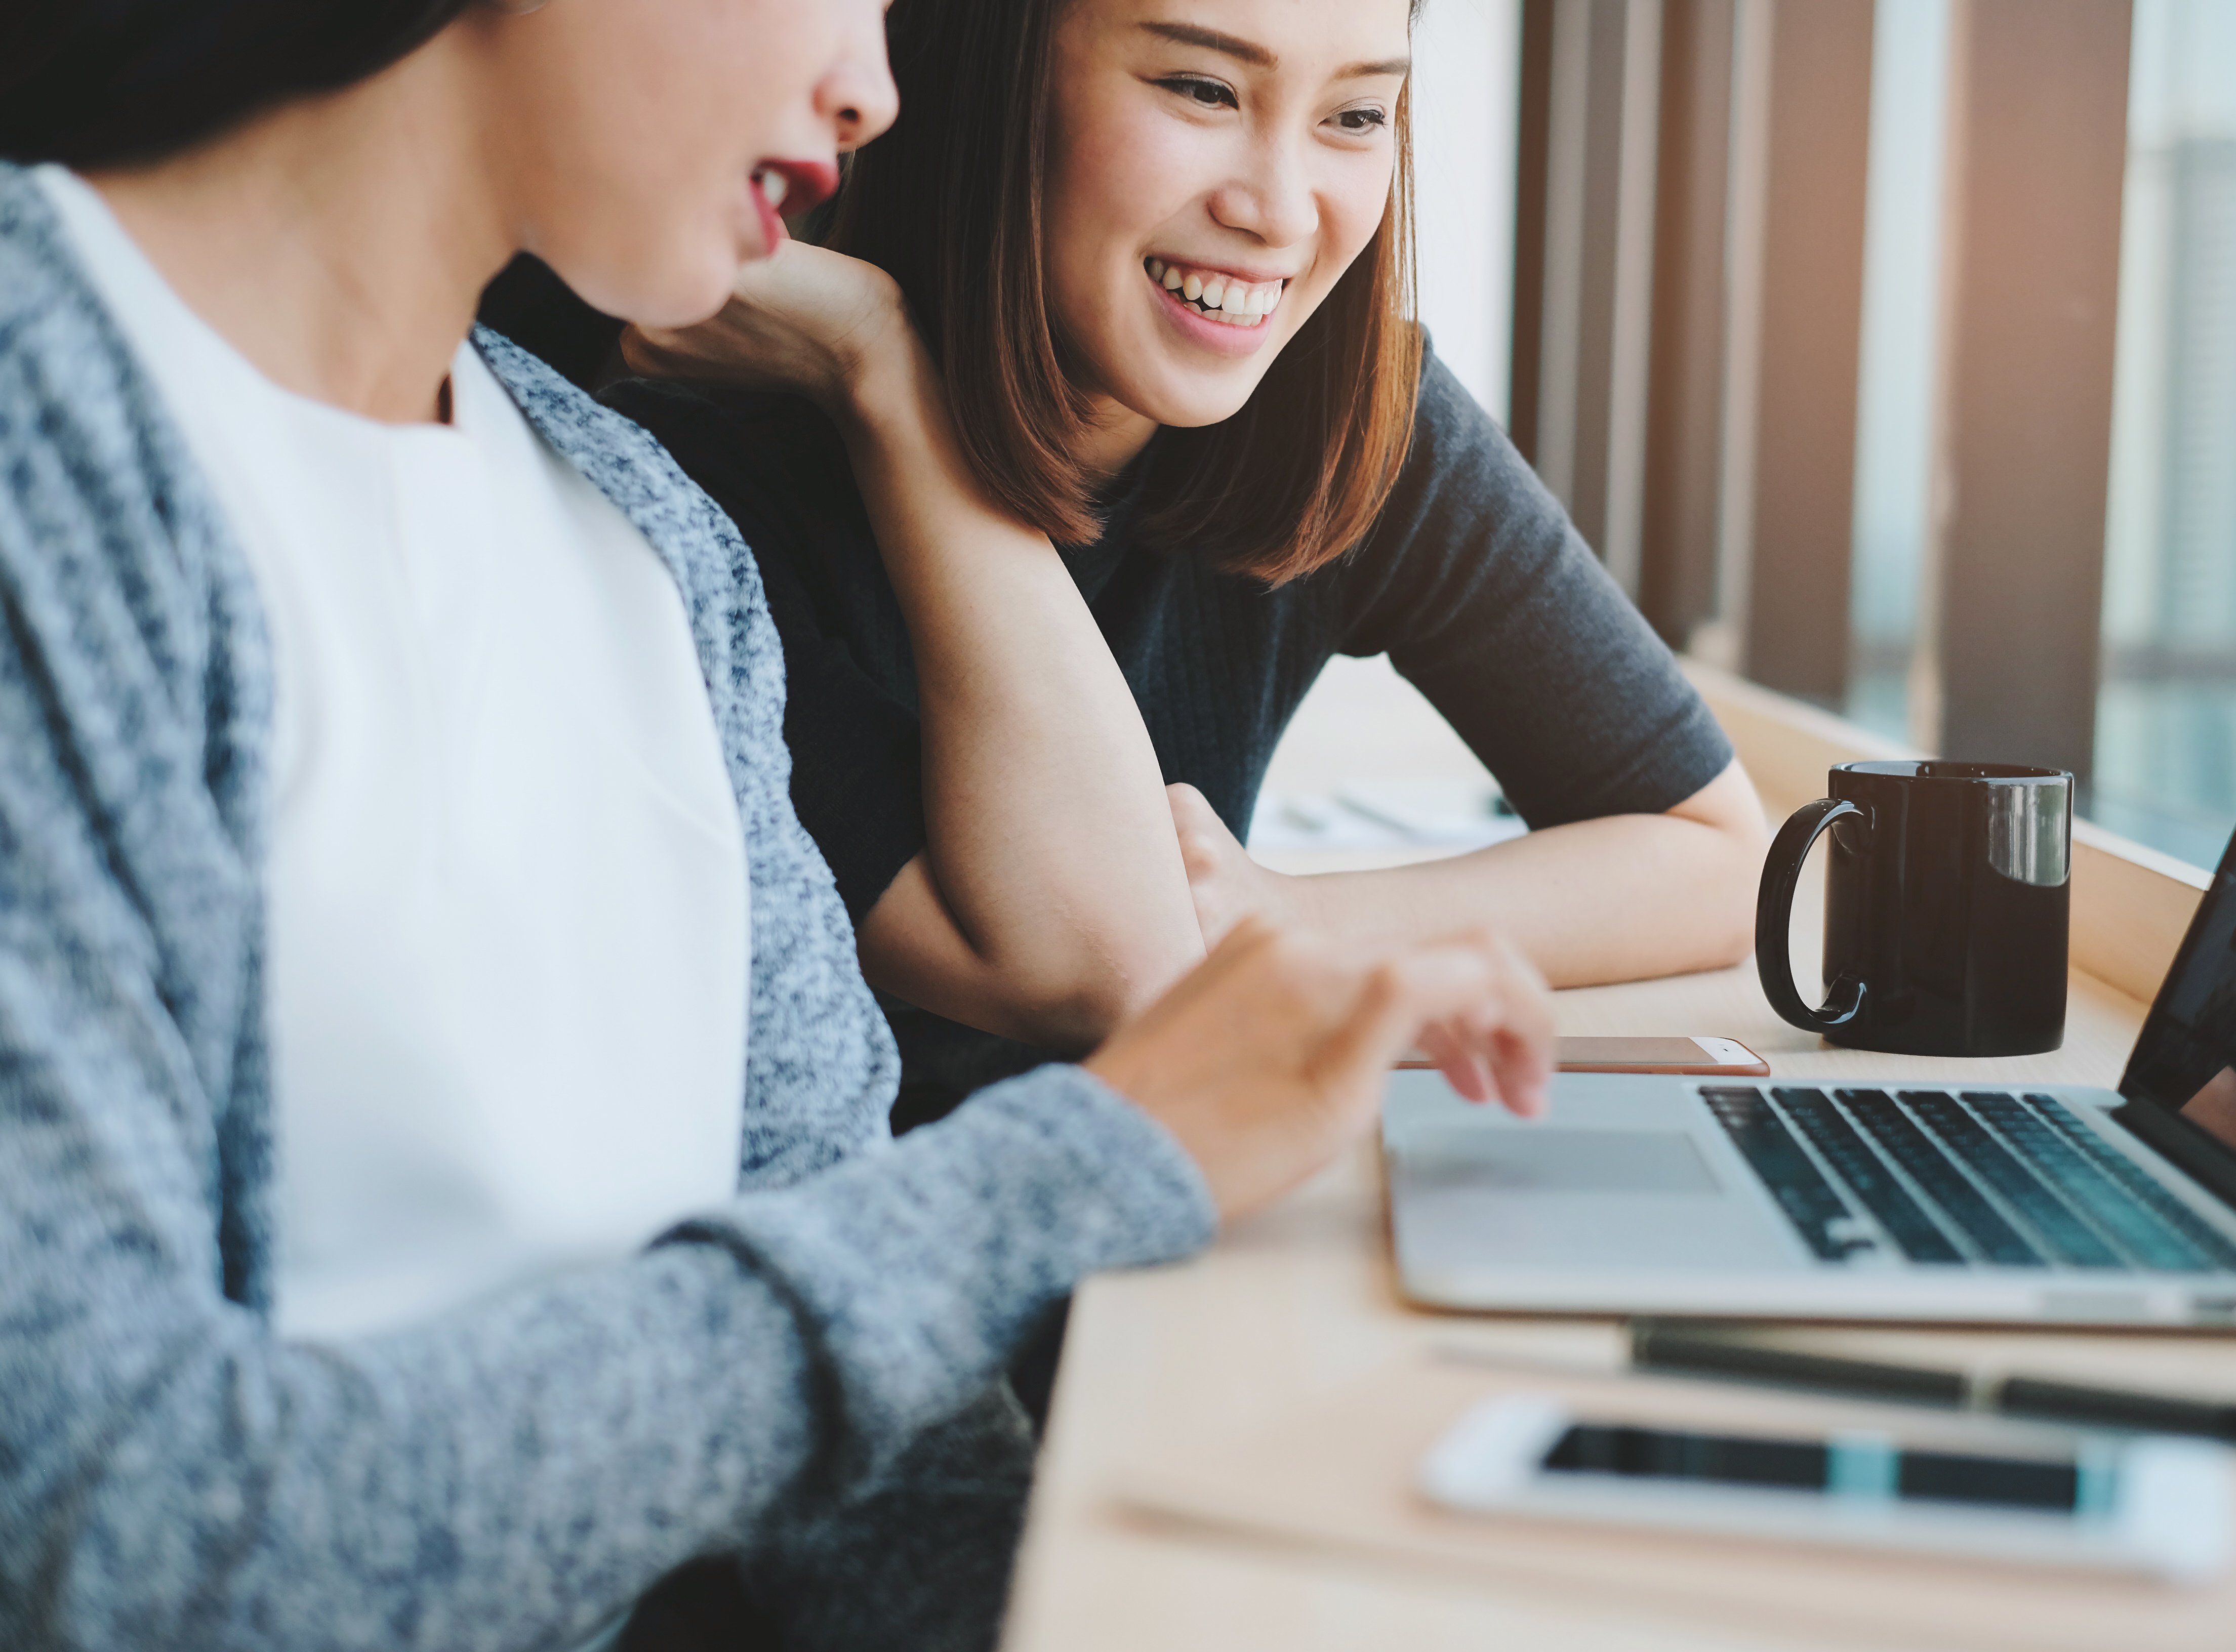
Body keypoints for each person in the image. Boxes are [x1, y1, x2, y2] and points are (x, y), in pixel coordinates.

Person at [0, 3, 1557, 1649]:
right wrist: (1100, 1160)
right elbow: (111, 1532)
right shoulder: (55, 451)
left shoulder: (648, 539)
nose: (874, 89)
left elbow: (890, 1464)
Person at [607, 0, 1771, 1125]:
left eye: (1357, 116)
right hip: (883, 1260)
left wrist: (1290, 919)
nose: (1280, 211)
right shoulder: (673, 478)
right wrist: (892, 382)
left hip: (1162, 1207)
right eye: (1202, 89)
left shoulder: (1346, 415)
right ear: (975, 77)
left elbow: (1719, 860)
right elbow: (1101, 972)